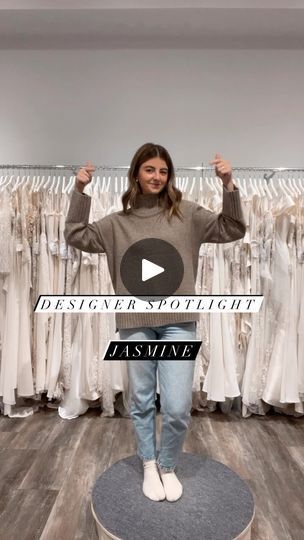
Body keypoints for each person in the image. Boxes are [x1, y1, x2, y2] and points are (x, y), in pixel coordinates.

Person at [64, 142, 246, 503]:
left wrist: (229, 185)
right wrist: (79, 191)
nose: (157, 177)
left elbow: (233, 228)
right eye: (150, 170)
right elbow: (75, 235)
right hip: (135, 321)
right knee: (143, 400)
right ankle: (149, 463)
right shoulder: (117, 224)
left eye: (163, 171)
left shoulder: (188, 215)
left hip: (179, 321)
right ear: (136, 173)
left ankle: (167, 464)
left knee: (177, 406)